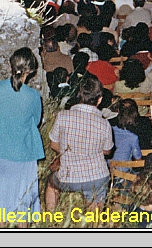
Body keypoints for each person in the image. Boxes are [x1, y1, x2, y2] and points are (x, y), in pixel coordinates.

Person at [0, 47, 45, 220]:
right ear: (31, 71)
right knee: (22, 206)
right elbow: (36, 121)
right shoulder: (33, 96)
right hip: (23, 153)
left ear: (11, 65)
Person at [46, 74, 113, 211]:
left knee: (51, 184)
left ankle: (51, 218)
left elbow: (53, 144)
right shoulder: (104, 124)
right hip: (96, 177)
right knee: (94, 217)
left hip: (67, 177)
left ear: (79, 94)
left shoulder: (63, 116)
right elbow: (107, 151)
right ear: (99, 99)